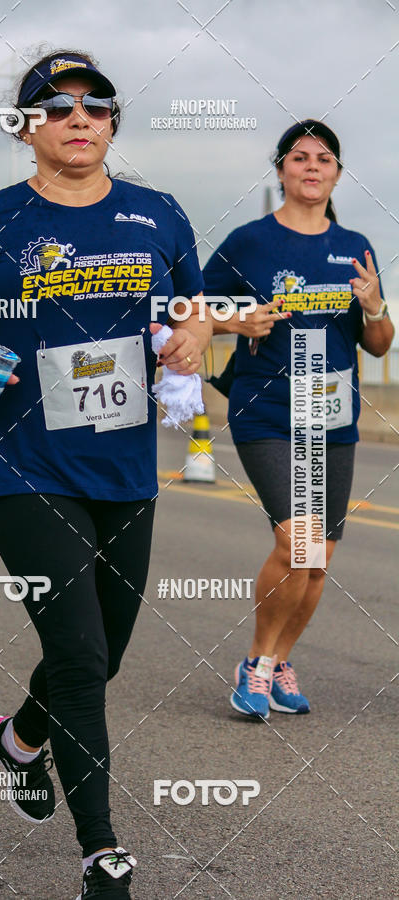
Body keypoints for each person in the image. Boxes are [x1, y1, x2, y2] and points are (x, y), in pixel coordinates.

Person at [0, 49, 210, 899]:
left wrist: (193, 337)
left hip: (124, 468)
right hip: (23, 466)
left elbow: (190, 311)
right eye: (56, 106)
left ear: (112, 123)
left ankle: (19, 740)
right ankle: (103, 854)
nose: (78, 118)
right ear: (27, 125)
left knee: (102, 655)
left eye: (95, 106)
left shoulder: (158, 215)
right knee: (77, 654)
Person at [203, 120, 394, 719]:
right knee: (297, 539)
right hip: (265, 408)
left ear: (336, 173)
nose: (312, 167)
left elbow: (380, 345)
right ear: (281, 168)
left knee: (320, 558)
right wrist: (238, 322)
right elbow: (192, 310)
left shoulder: (355, 246)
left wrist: (376, 309)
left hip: (331, 415)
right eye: (300, 157)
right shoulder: (248, 242)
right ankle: (255, 667)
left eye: (324, 159)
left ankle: (280, 659)